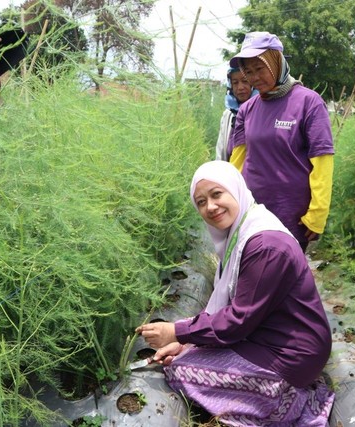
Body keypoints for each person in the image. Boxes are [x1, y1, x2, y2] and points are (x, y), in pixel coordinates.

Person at [136, 161, 334, 426]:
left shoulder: (265, 247)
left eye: (217, 194)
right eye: (201, 202)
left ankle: (288, 404)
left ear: (236, 189)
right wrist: (187, 343)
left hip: (293, 355)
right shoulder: (243, 231)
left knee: (180, 371)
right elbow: (236, 311)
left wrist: (177, 331)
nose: (211, 207)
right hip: (270, 335)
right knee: (185, 356)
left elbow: (238, 320)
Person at [228, 31, 335, 251]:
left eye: (260, 68)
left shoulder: (309, 102)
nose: (254, 77)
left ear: (277, 62)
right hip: (252, 213)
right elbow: (236, 163)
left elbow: (322, 162)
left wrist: (317, 214)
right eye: (248, 72)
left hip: (292, 217)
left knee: (286, 277)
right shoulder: (247, 109)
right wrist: (230, 203)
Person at [215, 67, 257, 161]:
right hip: (230, 173)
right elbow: (220, 150)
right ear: (231, 86)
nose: (240, 87)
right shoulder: (228, 115)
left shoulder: (261, 111)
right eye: (235, 82)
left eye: (245, 81)